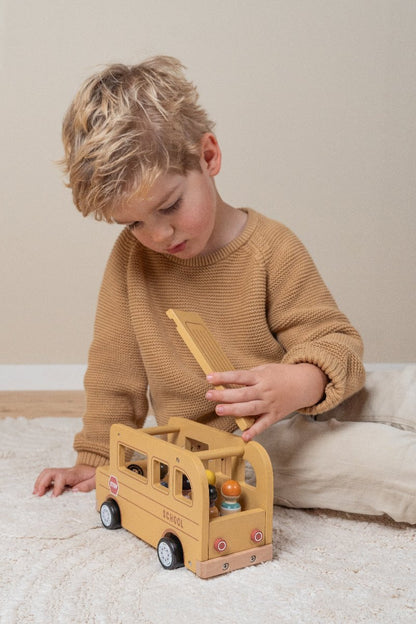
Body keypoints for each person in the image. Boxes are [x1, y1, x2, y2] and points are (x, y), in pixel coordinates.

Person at [34, 55, 409, 523]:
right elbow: (114, 370)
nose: (158, 235)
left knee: (405, 389)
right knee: (391, 466)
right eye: (133, 223)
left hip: (302, 398)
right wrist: (94, 458)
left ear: (208, 157)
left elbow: (337, 344)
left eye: (170, 206)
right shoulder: (131, 262)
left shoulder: (272, 246)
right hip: (235, 448)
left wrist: (296, 383)